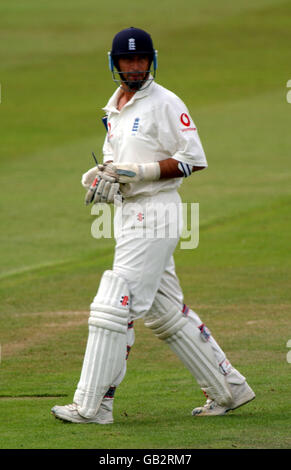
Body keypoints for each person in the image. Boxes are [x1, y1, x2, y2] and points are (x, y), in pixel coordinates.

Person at [51, 27, 255, 424]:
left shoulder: (164, 102)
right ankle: (227, 388)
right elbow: (117, 162)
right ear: (114, 63)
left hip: (155, 212)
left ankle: (93, 406)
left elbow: (193, 159)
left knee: (114, 305)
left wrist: (137, 172)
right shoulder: (114, 108)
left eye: (141, 59)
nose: (135, 67)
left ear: (152, 61)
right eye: (127, 60)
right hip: (131, 214)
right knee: (165, 314)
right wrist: (102, 176)